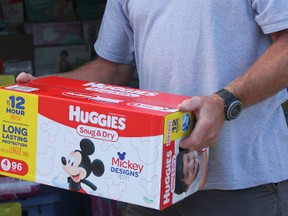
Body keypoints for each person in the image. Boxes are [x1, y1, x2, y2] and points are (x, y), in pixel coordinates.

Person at [17, 1, 288, 215]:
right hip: (153, 181)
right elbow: (112, 69)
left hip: (240, 182)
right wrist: (47, 88)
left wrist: (223, 102)